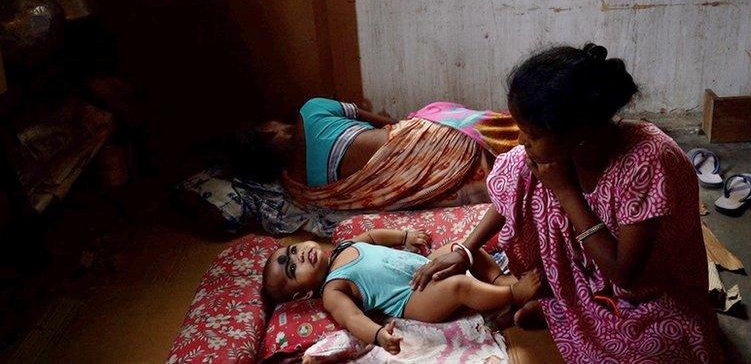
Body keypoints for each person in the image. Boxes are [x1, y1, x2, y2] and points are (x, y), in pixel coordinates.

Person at [410, 44, 723, 362]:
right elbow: (509, 191)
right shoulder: (557, 153)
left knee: (660, 349)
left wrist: (566, 193)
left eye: (531, 133)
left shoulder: (647, 161)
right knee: (524, 177)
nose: (521, 141)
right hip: (585, 278)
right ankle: (567, 305)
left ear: (579, 131)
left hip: (650, 292)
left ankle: (568, 309)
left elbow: (625, 274)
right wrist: (466, 250)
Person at [262, 229, 541, 355]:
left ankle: (497, 278)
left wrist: (404, 237)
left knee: (460, 248)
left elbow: (372, 237)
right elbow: (351, 319)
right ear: (301, 295)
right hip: (415, 299)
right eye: (292, 269)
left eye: (293, 250)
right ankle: (512, 294)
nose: (299, 256)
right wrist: (378, 335)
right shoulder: (333, 289)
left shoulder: (344, 245)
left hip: (426, 266)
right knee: (460, 286)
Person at [234, 98, 520, 211]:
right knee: (445, 115)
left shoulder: (299, 187)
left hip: (412, 183)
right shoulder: (310, 111)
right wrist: (399, 126)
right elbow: (361, 114)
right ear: (268, 132)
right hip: (431, 143)